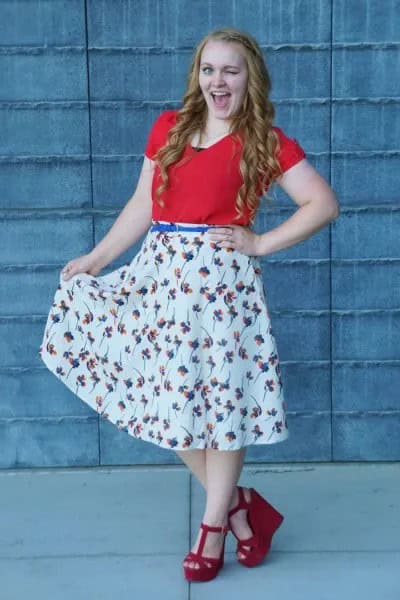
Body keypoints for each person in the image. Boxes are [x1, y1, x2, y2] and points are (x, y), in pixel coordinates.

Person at [39, 27, 339, 583]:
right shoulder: (170, 129)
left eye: (230, 71)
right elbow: (142, 204)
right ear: (196, 76)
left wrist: (259, 243)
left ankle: (212, 528)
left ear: (249, 79)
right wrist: (97, 257)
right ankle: (241, 507)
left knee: (219, 404)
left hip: (223, 291)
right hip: (161, 280)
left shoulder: (266, 142)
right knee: (167, 399)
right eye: (208, 70)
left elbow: (321, 203)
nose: (217, 81)